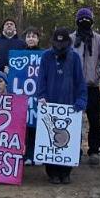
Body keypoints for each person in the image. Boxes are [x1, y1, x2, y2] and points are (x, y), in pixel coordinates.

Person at [36, 27, 87, 184]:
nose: (59, 46)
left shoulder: (75, 58)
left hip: (69, 104)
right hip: (50, 103)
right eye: (57, 42)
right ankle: (52, 173)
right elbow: (41, 78)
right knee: (49, 139)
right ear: (53, 42)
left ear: (67, 42)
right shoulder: (46, 56)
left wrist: (81, 100)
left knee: (69, 140)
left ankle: (66, 172)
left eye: (62, 43)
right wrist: (41, 96)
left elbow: (80, 81)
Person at [69, 8, 100, 165]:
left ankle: (94, 150)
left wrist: (95, 76)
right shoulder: (71, 39)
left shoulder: (99, 40)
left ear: (92, 21)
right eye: (81, 19)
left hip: (92, 87)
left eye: (87, 19)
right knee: (74, 120)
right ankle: (73, 149)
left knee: (94, 121)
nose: (84, 22)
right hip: (74, 88)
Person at [22, 26, 42, 166]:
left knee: (38, 126)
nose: (31, 39)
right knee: (26, 128)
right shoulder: (19, 54)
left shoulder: (44, 54)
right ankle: (28, 155)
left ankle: (38, 155)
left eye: (33, 36)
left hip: (38, 95)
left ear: (38, 39)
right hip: (24, 97)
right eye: (28, 36)